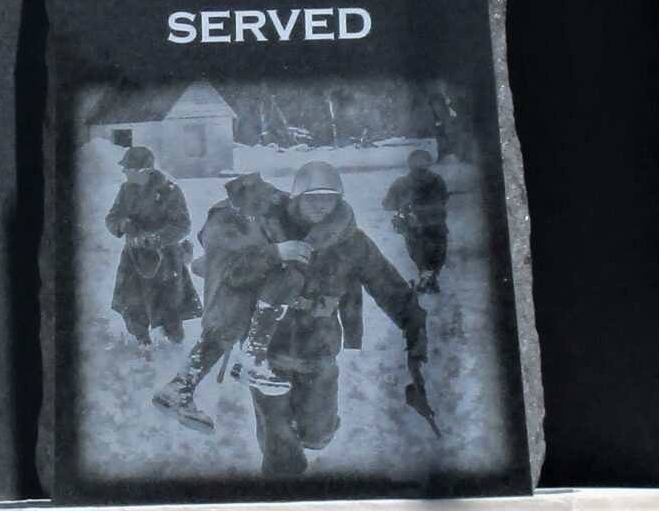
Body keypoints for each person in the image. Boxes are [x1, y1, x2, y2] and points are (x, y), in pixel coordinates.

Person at [248, 160, 427, 477]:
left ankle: (309, 431)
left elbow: (386, 283)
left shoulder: (351, 241)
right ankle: (285, 486)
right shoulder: (265, 230)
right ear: (297, 197)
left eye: (329, 197)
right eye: (313, 196)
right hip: (267, 349)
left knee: (318, 433)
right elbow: (231, 265)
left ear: (339, 199)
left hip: (318, 347)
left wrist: (413, 322)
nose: (321, 204)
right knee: (278, 446)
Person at [151, 171, 311, 432]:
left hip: (236, 295)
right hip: (231, 294)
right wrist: (277, 252)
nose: (269, 205)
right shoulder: (228, 218)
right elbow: (233, 268)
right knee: (218, 336)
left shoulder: (261, 205)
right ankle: (182, 388)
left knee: (215, 339)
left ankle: (178, 389)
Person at [104, 145, 202, 348]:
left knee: (168, 308)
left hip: (165, 260)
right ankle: (142, 342)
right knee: (131, 304)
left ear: (145, 170)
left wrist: (155, 238)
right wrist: (123, 224)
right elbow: (112, 218)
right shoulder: (126, 190)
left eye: (129, 169)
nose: (124, 172)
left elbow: (182, 225)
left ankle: (173, 350)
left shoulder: (170, 191)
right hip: (133, 258)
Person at [383, 148, 449, 293]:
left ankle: (426, 273)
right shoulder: (438, 180)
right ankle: (431, 274)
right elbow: (443, 199)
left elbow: (388, 204)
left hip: (413, 225)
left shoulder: (401, 183)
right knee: (438, 250)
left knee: (416, 248)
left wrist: (400, 206)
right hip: (436, 223)